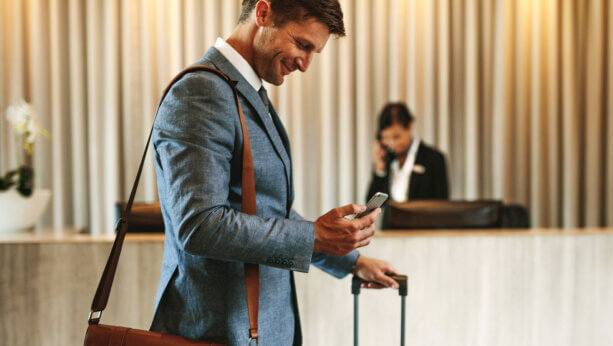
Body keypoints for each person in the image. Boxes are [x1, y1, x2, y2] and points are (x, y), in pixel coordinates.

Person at [149, 0, 398, 344]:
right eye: (302, 44)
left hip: (257, 329)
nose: (306, 64)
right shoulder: (202, 91)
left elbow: (266, 210)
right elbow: (199, 225)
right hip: (220, 331)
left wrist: (351, 260)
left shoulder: (244, 91)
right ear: (263, 14)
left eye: (314, 52)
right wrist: (314, 236)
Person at [367, 103, 449, 203]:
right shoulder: (385, 159)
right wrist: (380, 170)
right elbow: (372, 206)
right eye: (386, 138)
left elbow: (441, 206)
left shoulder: (434, 159)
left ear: (409, 126)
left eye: (396, 137)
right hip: (392, 219)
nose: (392, 144)